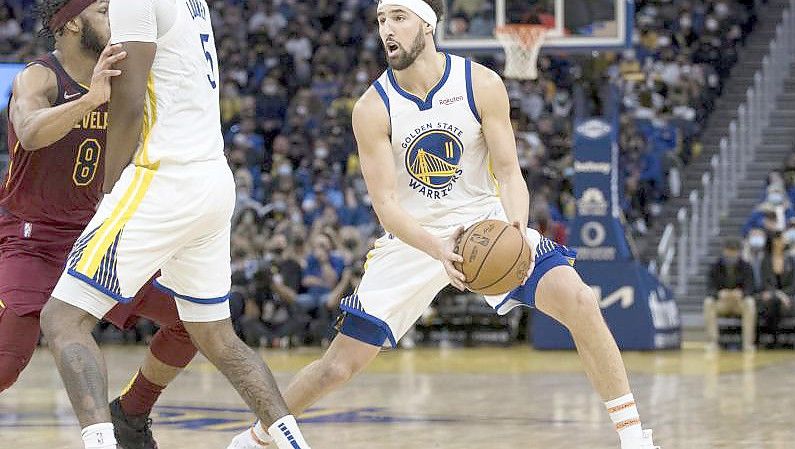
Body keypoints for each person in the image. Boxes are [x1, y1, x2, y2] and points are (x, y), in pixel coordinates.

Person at [229, 1, 658, 448]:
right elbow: (386, 206)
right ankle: (259, 436)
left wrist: (515, 228)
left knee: (579, 301)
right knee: (339, 367)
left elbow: (510, 174)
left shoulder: (481, 84)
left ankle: (633, 438)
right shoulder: (372, 107)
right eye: (381, 20)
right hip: (413, 238)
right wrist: (437, 248)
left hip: (484, 223)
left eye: (399, 17)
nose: (387, 30)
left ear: (428, 24)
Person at [35, 1, 311, 449]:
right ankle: (294, 443)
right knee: (217, 336)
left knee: (62, 318)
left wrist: (107, 188)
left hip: (163, 176)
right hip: (211, 179)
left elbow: (128, 97)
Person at [0, 2, 199, 448]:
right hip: (32, 240)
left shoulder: (127, 77)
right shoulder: (39, 77)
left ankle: (130, 414)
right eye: (105, 11)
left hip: (96, 236)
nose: (118, 20)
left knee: (193, 319)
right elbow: (30, 133)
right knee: (7, 364)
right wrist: (91, 99)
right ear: (72, 21)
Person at [703, 238, 756, 351]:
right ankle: (712, 342)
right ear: (724, 251)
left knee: (750, 303)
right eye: (729, 251)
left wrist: (742, 293)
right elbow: (709, 288)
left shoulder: (746, 266)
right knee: (708, 303)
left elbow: (751, 288)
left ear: (738, 252)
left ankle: (748, 343)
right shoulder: (715, 266)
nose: (731, 255)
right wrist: (719, 294)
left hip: (739, 303)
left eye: (734, 251)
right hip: (722, 303)